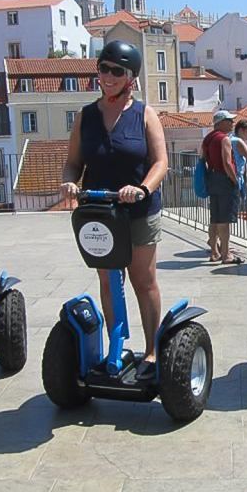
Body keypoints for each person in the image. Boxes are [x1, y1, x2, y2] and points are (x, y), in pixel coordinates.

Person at [61, 40, 168, 380]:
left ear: (130, 78)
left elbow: (161, 162)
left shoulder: (144, 114)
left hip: (138, 210)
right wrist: (69, 184)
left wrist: (141, 189)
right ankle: (116, 345)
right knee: (108, 280)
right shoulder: (86, 116)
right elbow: (72, 163)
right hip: (100, 212)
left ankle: (152, 351)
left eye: (116, 71)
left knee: (142, 279)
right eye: (103, 68)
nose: (108, 76)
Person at [201, 110, 243, 264]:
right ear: (221, 122)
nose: (232, 123)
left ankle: (214, 252)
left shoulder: (208, 138)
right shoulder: (224, 139)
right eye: (229, 120)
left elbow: (203, 158)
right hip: (224, 180)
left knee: (215, 217)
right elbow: (227, 162)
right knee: (225, 219)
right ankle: (226, 254)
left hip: (212, 179)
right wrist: (235, 180)